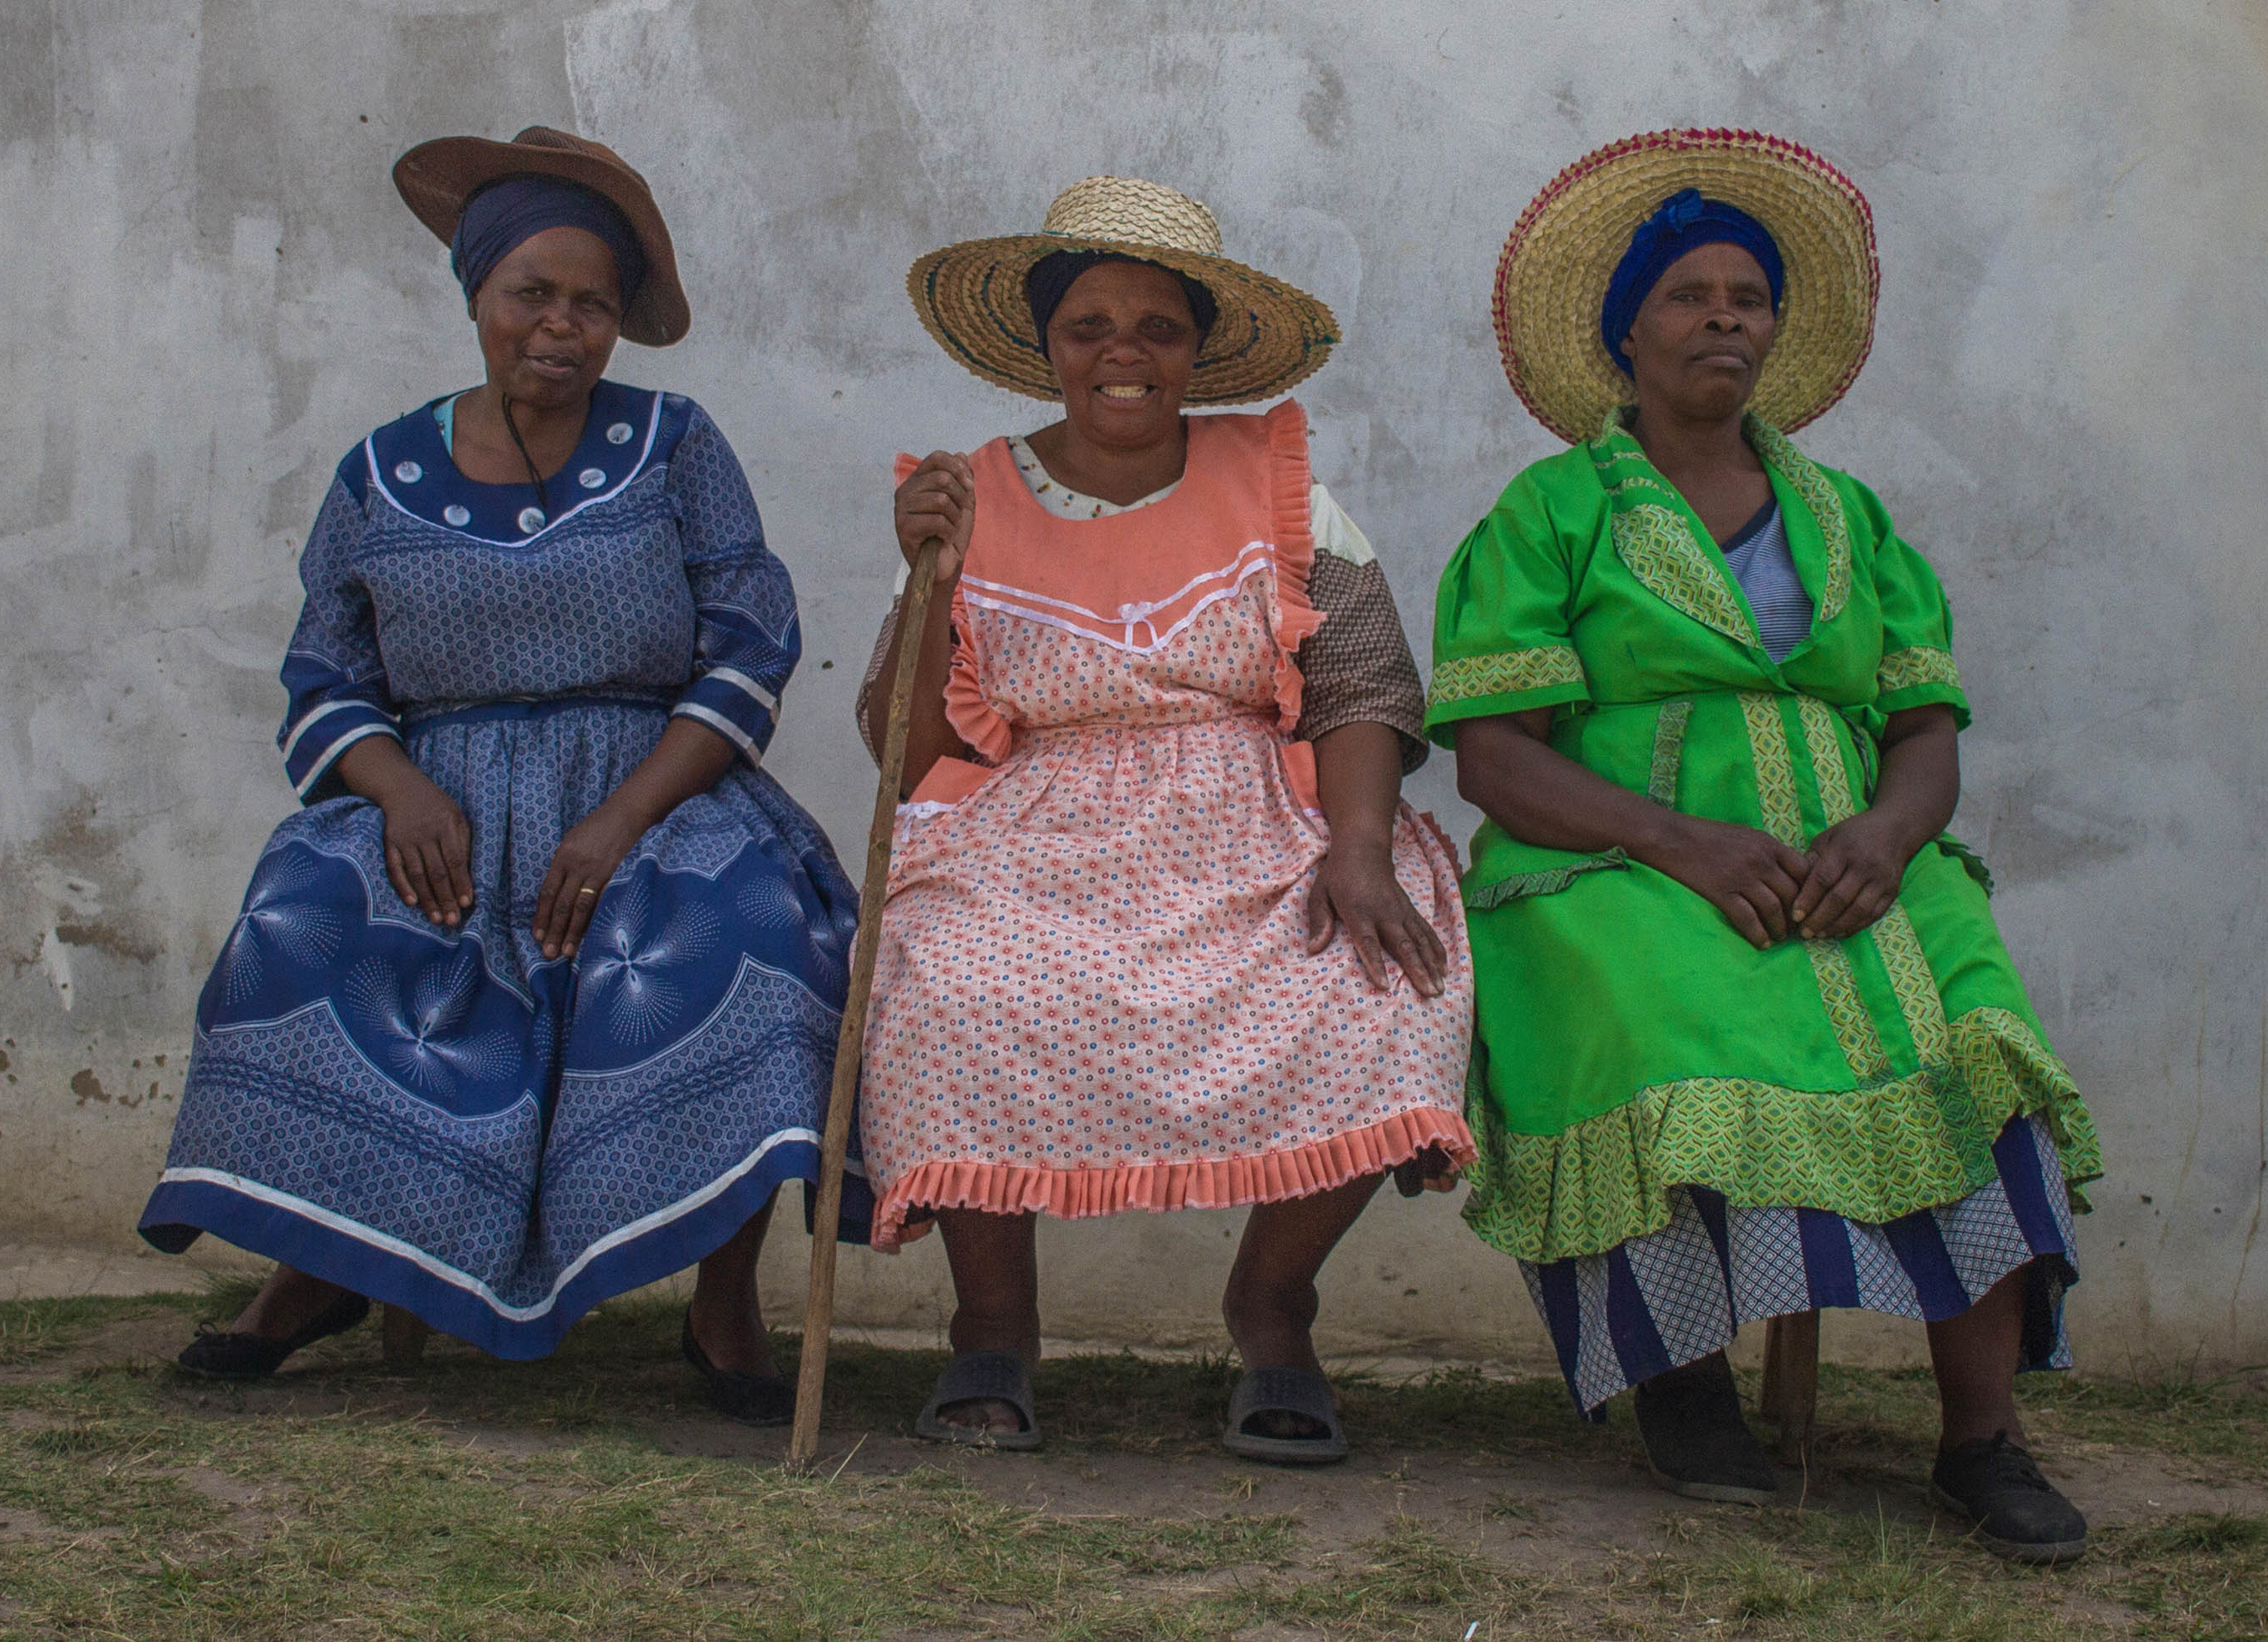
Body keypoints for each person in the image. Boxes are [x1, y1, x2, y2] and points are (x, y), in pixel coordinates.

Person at [1429, 130, 2102, 1562]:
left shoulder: (1851, 514)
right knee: (1652, 1010)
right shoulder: (1551, 513)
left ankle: (1982, 1440)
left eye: (1749, 294)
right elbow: (1495, 758)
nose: (1724, 315)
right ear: (1624, 334)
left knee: (1975, 1031)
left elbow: (1925, 728)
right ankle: (1685, 1383)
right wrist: (1686, 846)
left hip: (1858, 857)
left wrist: (1885, 833)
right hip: (1618, 864)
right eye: (1687, 293)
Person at [137, 127, 859, 1423]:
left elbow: (752, 648)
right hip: (441, 807)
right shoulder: (379, 472)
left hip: (654, 794)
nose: (563, 327)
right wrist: (400, 792)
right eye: (533, 293)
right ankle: (323, 1268)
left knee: (755, 931)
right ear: (476, 294)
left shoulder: (676, 446)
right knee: (299, 922)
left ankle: (722, 1293)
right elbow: (325, 675)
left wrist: (617, 820)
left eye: (593, 304)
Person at [854, 177, 1475, 1463]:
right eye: (1088, 324)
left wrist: (1358, 846)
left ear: (1199, 348)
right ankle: (993, 1325)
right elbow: (904, 746)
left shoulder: (1278, 480)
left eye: (1156, 326)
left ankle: (1273, 1308)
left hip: (1257, 821)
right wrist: (926, 577)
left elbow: (1359, 675)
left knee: (1382, 984)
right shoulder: (966, 493)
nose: (1122, 353)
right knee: (954, 984)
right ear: (1047, 344)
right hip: (1032, 838)